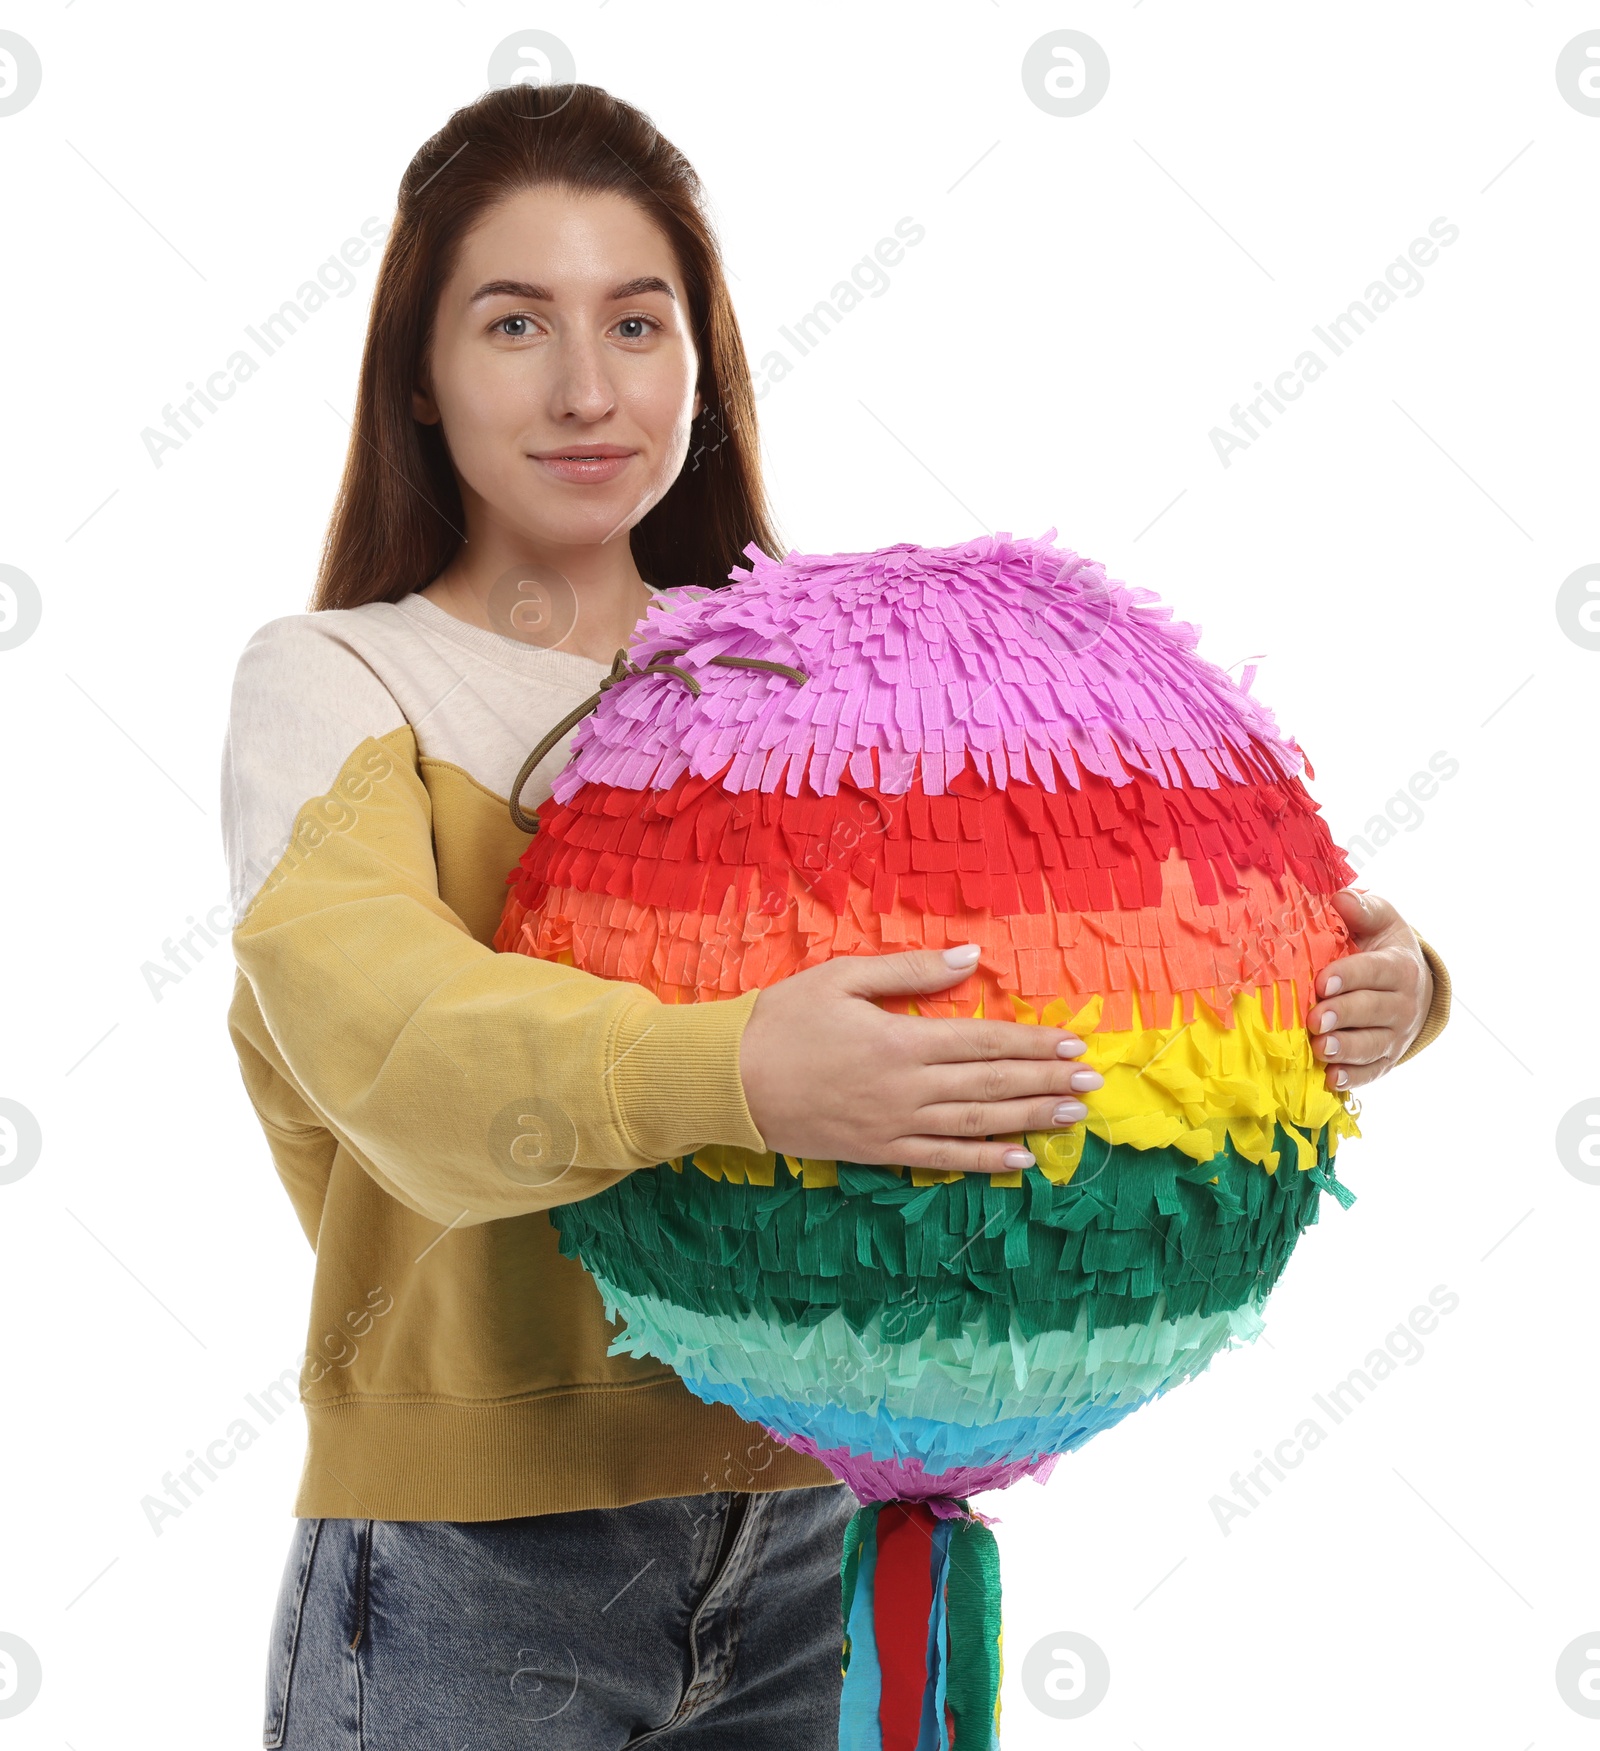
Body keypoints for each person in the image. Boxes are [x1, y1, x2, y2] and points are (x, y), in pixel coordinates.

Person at [221, 81, 1452, 1751]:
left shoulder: (797, 680)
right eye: (515, 323)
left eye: (638, 325)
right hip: (472, 1567)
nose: (587, 389)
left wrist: (1358, 980)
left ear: (698, 368)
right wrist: (743, 1072)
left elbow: (1031, 963)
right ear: (420, 380)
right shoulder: (340, 680)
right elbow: (398, 1055)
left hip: (822, 1534)